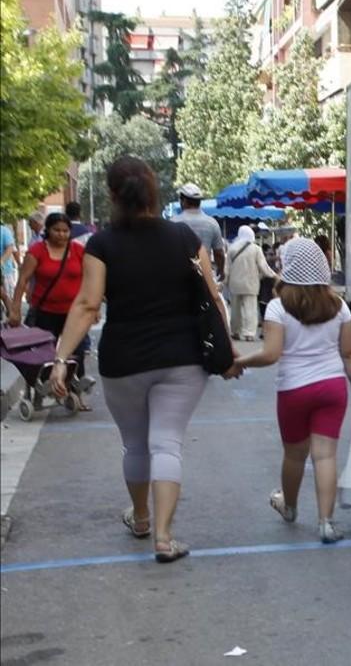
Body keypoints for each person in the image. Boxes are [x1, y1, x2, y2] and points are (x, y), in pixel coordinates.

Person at [49, 156, 234, 564]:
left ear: (114, 196)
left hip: (124, 359)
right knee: (166, 441)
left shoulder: (102, 244)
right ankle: (165, 538)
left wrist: (62, 358)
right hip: (184, 359)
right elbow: (212, 297)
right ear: (154, 191)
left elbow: (87, 304)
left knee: (135, 444)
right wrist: (228, 352)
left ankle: (142, 517)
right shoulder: (185, 238)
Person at [232, 238, 351, 544]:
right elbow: (350, 353)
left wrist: (241, 361)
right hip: (333, 388)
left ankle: (289, 507)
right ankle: (326, 523)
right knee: (325, 456)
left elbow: (270, 354)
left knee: (294, 455)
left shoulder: (278, 308)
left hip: (294, 390)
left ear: (288, 266)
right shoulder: (339, 306)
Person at [9, 213, 91, 402]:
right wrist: (14, 310)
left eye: (65, 231)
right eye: (57, 230)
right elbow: (22, 281)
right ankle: (44, 388)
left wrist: (91, 308)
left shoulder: (78, 251)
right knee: (45, 352)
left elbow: (89, 280)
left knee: (77, 351)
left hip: (74, 311)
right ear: (48, 230)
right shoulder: (37, 251)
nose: (61, 235)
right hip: (45, 310)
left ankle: (76, 390)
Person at [226, 225, 278, 341]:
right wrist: (274, 275)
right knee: (250, 309)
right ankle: (249, 333)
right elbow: (263, 267)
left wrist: (224, 282)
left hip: (235, 284)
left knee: (235, 310)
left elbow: (227, 268)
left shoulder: (232, 248)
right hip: (251, 284)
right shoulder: (256, 249)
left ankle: (235, 332)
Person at [171, 183, 226, 280]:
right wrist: (221, 271)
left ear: (183, 201)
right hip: (204, 276)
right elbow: (219, 253)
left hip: (179, 277)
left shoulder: (173, 222)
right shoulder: (212, 223)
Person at [0, 220, 15, 300]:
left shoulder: (4, 231)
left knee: (6, 296)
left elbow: (10, 248)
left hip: (5, 271)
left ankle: (10, 311)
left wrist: (1, 261)